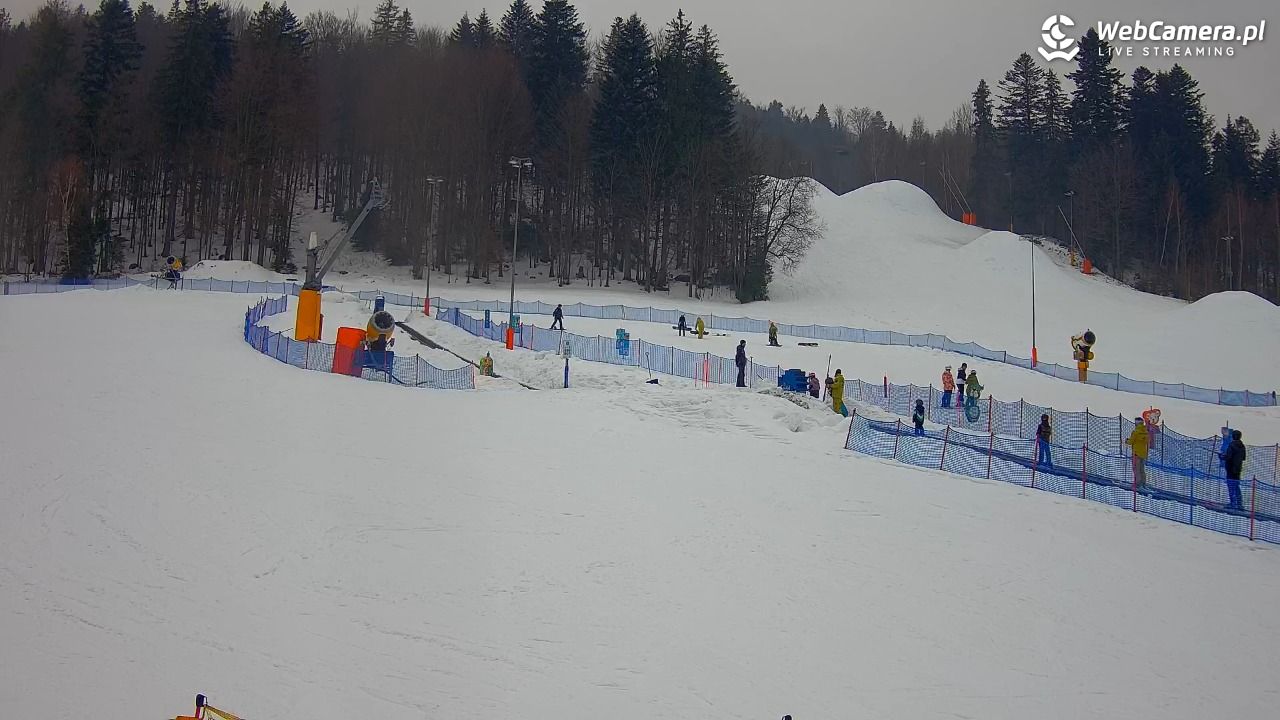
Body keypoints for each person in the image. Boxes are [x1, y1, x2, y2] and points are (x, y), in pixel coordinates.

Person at [1219, 429, 1246, 511]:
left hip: (1231, 469)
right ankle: (1239, 504)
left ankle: (1233, 503)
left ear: (1233, 437)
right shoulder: (1242, 446)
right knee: (1236, 486)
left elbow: (1228, 457)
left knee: (1231, 486)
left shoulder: (1232, 445)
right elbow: (1243, 458)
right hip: (1238, 469)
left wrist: (1222, 456)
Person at [1125, 417, 1149, 490]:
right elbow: (1147, 441)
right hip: (1143, 453)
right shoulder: (1145, 431)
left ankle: (1137, 484)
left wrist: (1127, 441)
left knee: (1136, 469)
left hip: (1136, 453)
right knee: (1142, 469)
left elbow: (1131, 441)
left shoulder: (1135, 432)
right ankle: (1143, 483)